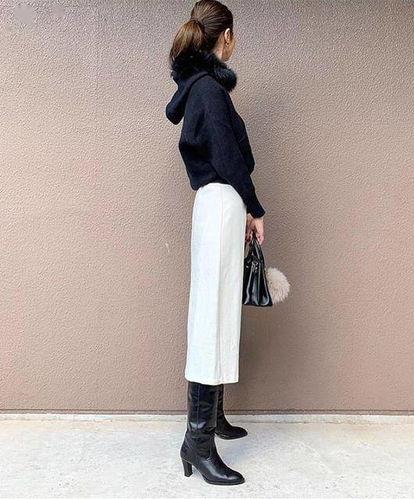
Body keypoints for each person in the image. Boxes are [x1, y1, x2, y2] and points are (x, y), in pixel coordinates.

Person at [165, 0, 266, 486]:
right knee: (212, 313)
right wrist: (255, 208)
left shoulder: (203, 87)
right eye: (234, 34)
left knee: (220, 308)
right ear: (224, 36)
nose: (235, 41)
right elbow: (227, 156)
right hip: (221, 201)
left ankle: (214, 418)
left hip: (221, 204)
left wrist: (242, 206)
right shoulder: (208, 89)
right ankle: (198, 442)